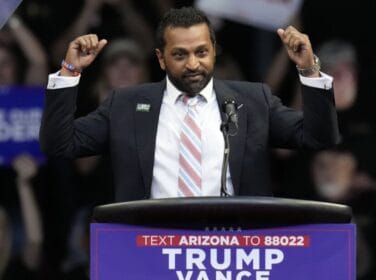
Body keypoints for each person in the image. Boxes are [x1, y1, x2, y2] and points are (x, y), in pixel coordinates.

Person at [40, 7, 339, 201]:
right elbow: (60, 144)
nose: (193, 64)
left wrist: (308, 69)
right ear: (160, 58)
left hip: (235, 249)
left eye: (201, 52)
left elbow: (319, 137)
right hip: (151, 249)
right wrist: (70, 70)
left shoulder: (252, 100)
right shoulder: (125, 105)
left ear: (213, 51)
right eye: (180, 54)